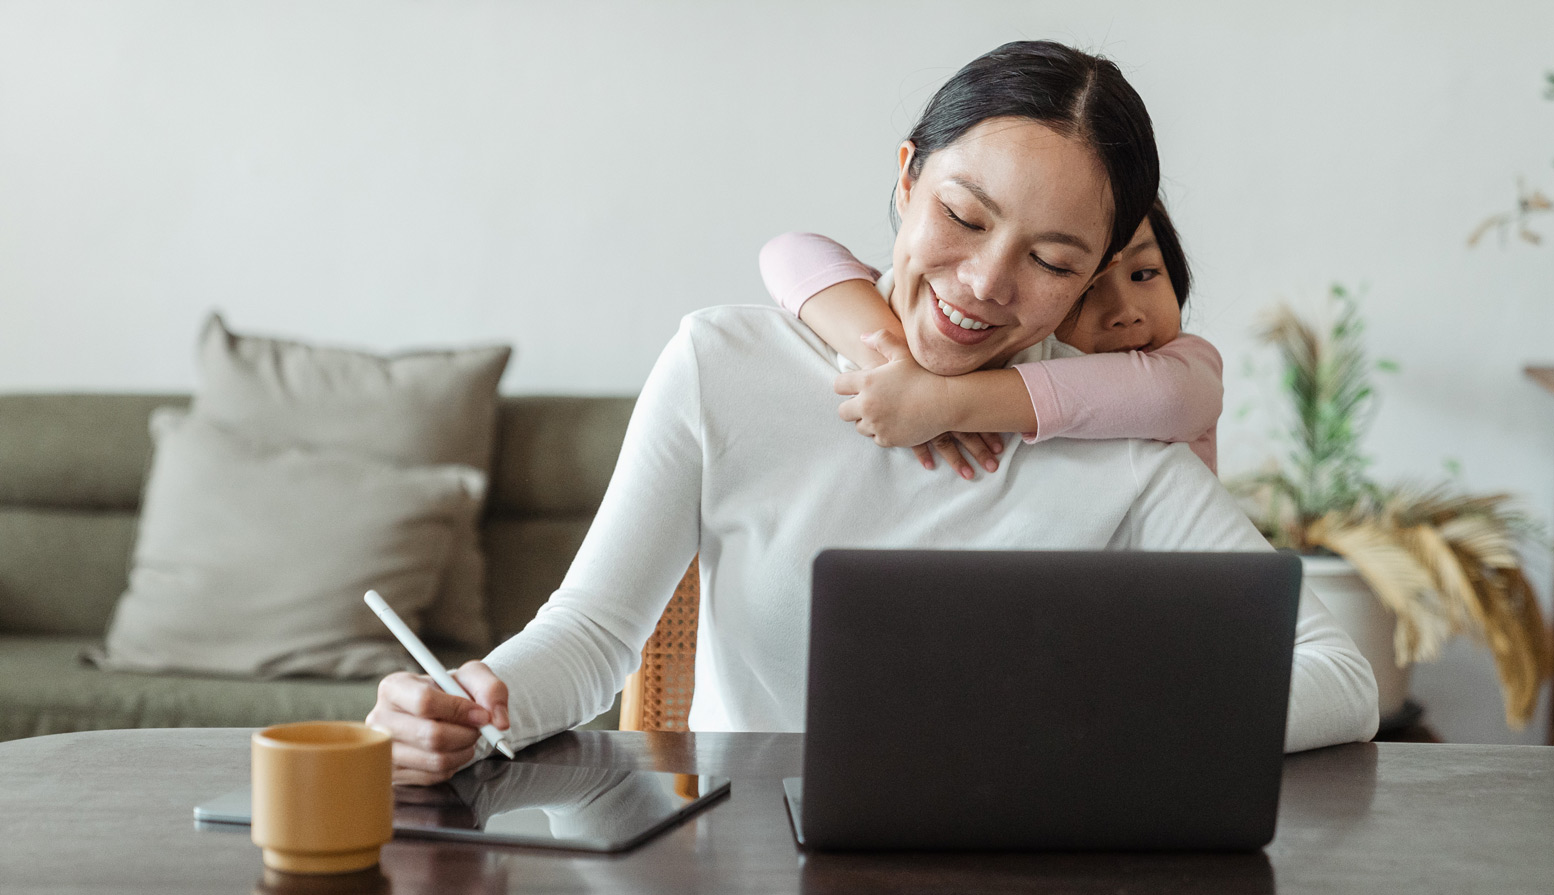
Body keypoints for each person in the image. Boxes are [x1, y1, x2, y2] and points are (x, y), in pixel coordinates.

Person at [368, 40, 1379, 786]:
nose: (984, 283)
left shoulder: (1117, 440)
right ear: (904, 180)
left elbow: (1339, 676)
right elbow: (590, 637)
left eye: (1052, 260)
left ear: (1093, 279)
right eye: (963, 216)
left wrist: (1111, 720)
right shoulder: (724, 365)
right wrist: (467, 700)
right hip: (749, 858)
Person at [758, 198, 1222, 477]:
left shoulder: (1186, 366)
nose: (1126, 314)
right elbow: (790, 252)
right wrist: (893, 364)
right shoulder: (1009, 348)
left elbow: (1169, 397)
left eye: (1145, 273)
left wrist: (943, 400)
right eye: (1086, 289)